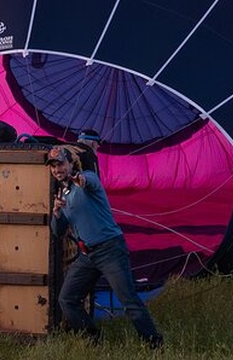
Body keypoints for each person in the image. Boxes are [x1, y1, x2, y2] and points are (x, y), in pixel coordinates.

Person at [46, 145, 163, 348]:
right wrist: (56, 213)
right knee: (67, 299)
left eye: (61, 164)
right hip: (87, 255)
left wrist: (79, 179)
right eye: (53, 166)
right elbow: (57, 231)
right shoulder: (63, 195)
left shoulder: (88, 178)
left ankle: (154, 344)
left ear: (71, 164)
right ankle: (94, 341)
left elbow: (87, 182)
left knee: (129, 300)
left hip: (110, 250)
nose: (57, 170)